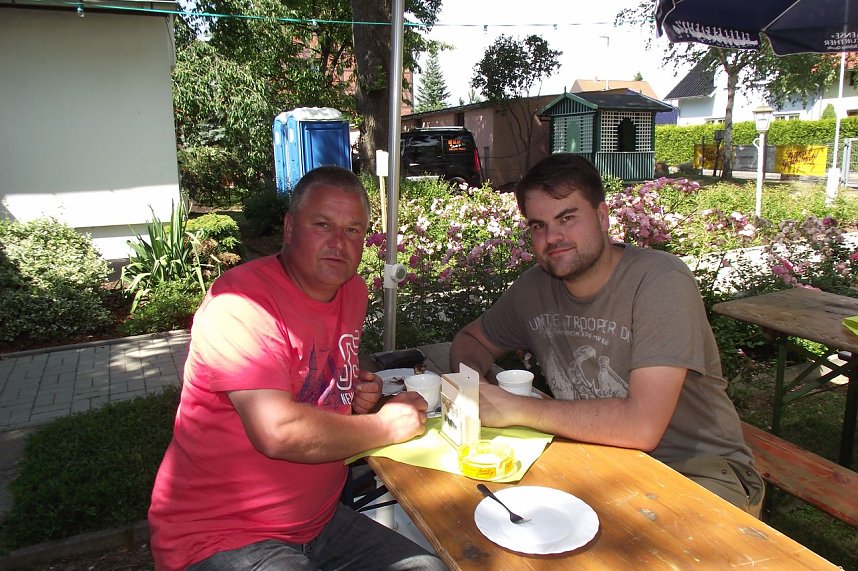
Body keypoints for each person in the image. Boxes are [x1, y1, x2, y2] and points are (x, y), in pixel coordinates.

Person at [149, 166, 446, 571]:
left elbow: (320, 374)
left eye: (353, 230)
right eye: (322, 225)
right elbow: (278, 431)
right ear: (289, 228)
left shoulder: (351, 290)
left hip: (320, 524)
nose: (339, 244)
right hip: (222, 535)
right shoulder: (241, 304)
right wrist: (385, 426)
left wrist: (356, 393)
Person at [449, 154, 764, 515]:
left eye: (567, 218)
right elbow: (471, 341)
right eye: (538, 226)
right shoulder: (534, 288)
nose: (552, 238)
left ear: (602, 217)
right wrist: (477, 388)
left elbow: (641, 426)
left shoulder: (660, 280)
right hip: (597, 461)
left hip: (698, 473)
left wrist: (516, 408)